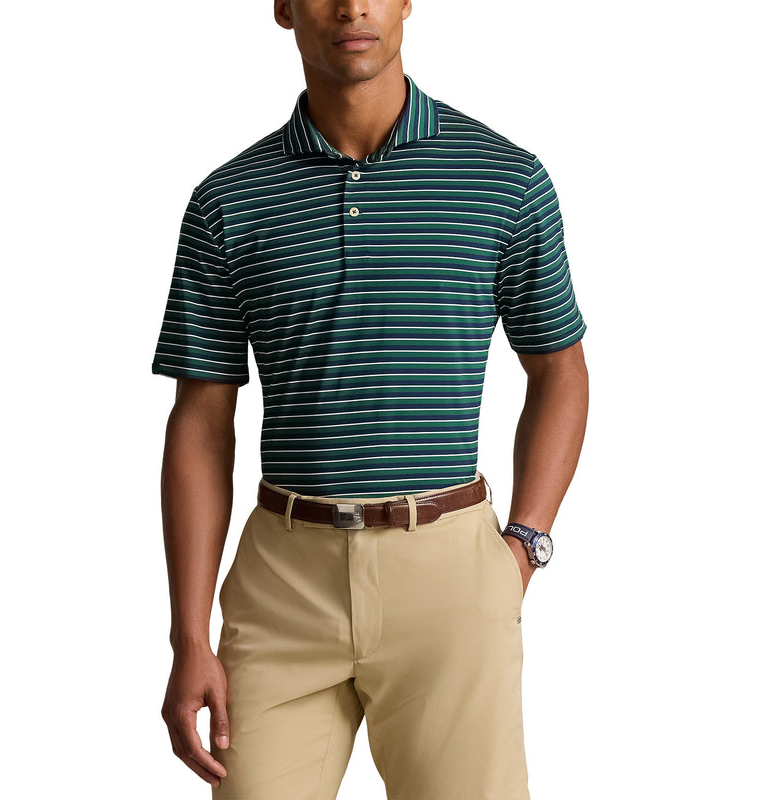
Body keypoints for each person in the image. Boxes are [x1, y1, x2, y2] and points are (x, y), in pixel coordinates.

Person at [151, 1, 589, 797]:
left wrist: (526, 544)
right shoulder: (229, 200)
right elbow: (201, 423)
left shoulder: (505, 179)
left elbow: (559, 369)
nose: (352, 6)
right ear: (284, 8)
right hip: (283, 581)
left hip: (450, 574)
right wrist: (189, 637)